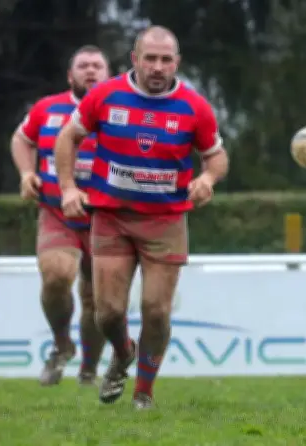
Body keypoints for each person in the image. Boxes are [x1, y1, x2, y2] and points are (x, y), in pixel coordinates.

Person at [53, 26, 229, 409]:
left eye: (166, 60)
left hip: (165, 221)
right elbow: (67, 137)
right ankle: (122, 351)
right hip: (112, 217)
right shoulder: (106, 94)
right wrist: (68, 188)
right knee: (109, 313)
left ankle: (144, 392)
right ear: (135, 59)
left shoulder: (194, 106)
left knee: (156, 309)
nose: (157, 66)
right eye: (150, 58)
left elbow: (215, 154)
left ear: (176, 63)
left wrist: (208, 178)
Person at [9, 45, 110, 387]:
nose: (91, 71)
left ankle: (90, 369)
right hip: (57, 211)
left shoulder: (122, 112)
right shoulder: (47, 108)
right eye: (83, 65)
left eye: (98, 66)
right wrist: (26, 174)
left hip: (106, 217)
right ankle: (62, 344)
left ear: (108, 75)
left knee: (97, 300)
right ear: (71, 75)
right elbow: (21, 140)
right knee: (55, 276)